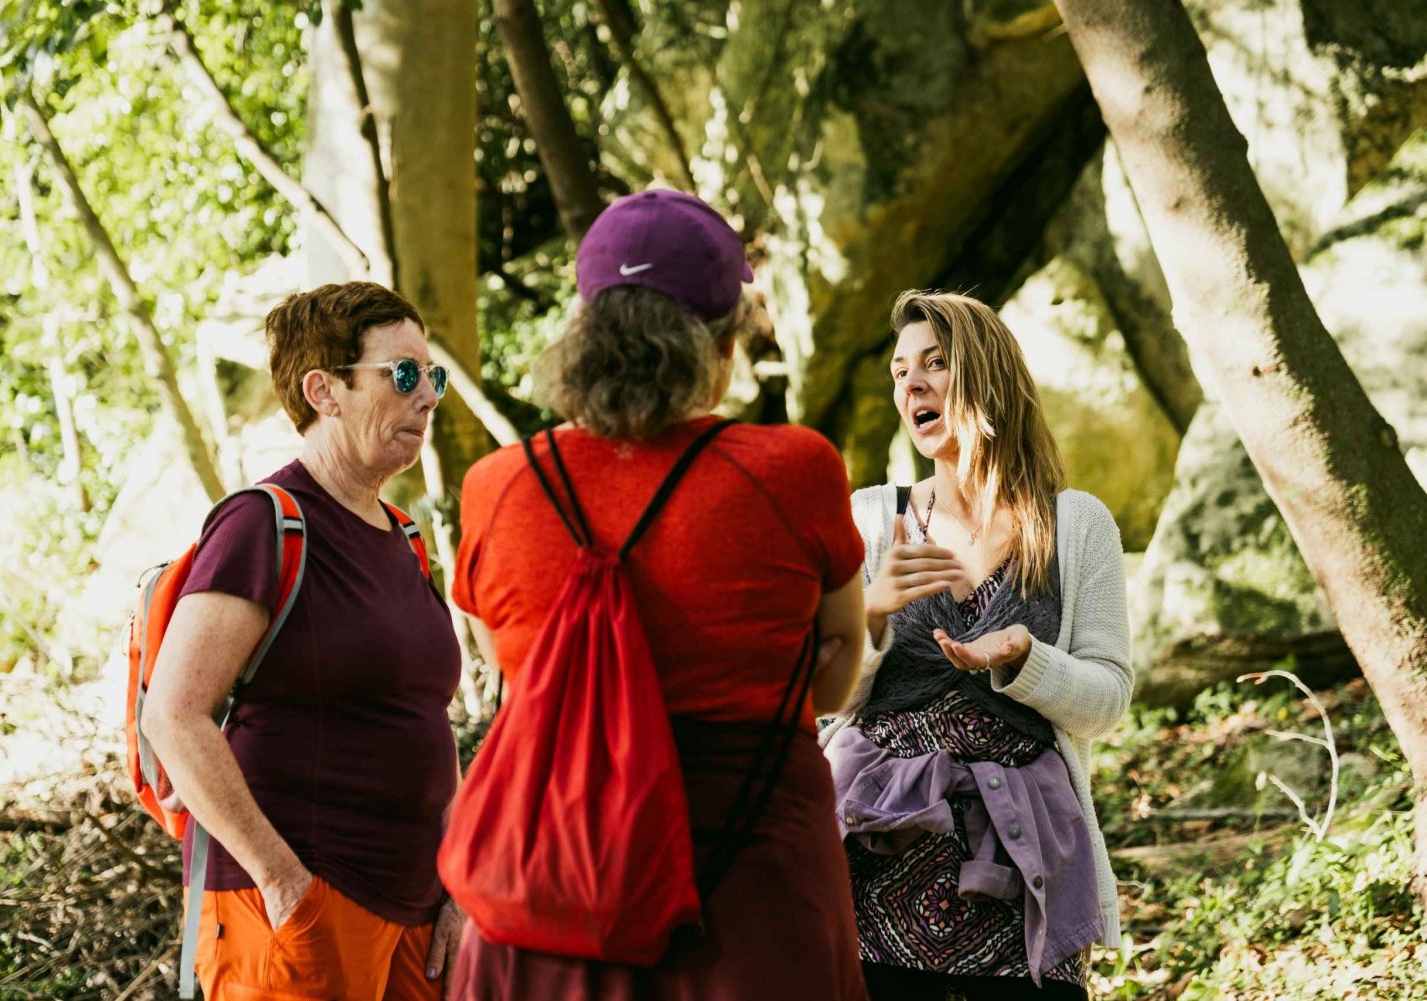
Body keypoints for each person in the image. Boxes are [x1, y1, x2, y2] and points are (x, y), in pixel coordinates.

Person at [447, 188, 870, 1000]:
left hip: (551, 886)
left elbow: (504, 653)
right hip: (749, 894)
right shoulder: (794, 468)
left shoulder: (497, 486)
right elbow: (839, 657)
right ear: (722, 342)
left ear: (585, 333)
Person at [142, 282, 465, 1001]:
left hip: (416, 915)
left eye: (433, 375)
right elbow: (174, 713)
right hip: (301, 907)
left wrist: (458, 883)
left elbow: (424, 722)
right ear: (325, 391)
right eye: (404, 374)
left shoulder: (405, 539)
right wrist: (282, 880)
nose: (429, 396)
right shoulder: (265, 523)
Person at [819, 291, 1132, 1000]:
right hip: (873, 863)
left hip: (1024, 870)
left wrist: (1028, 658)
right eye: (900, 372)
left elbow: (1108, 699)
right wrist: (872, 611)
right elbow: (817, 695)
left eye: (935, 362)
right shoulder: (871, 518)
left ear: (987, 375)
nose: (912, 385)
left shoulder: (1076, 525)